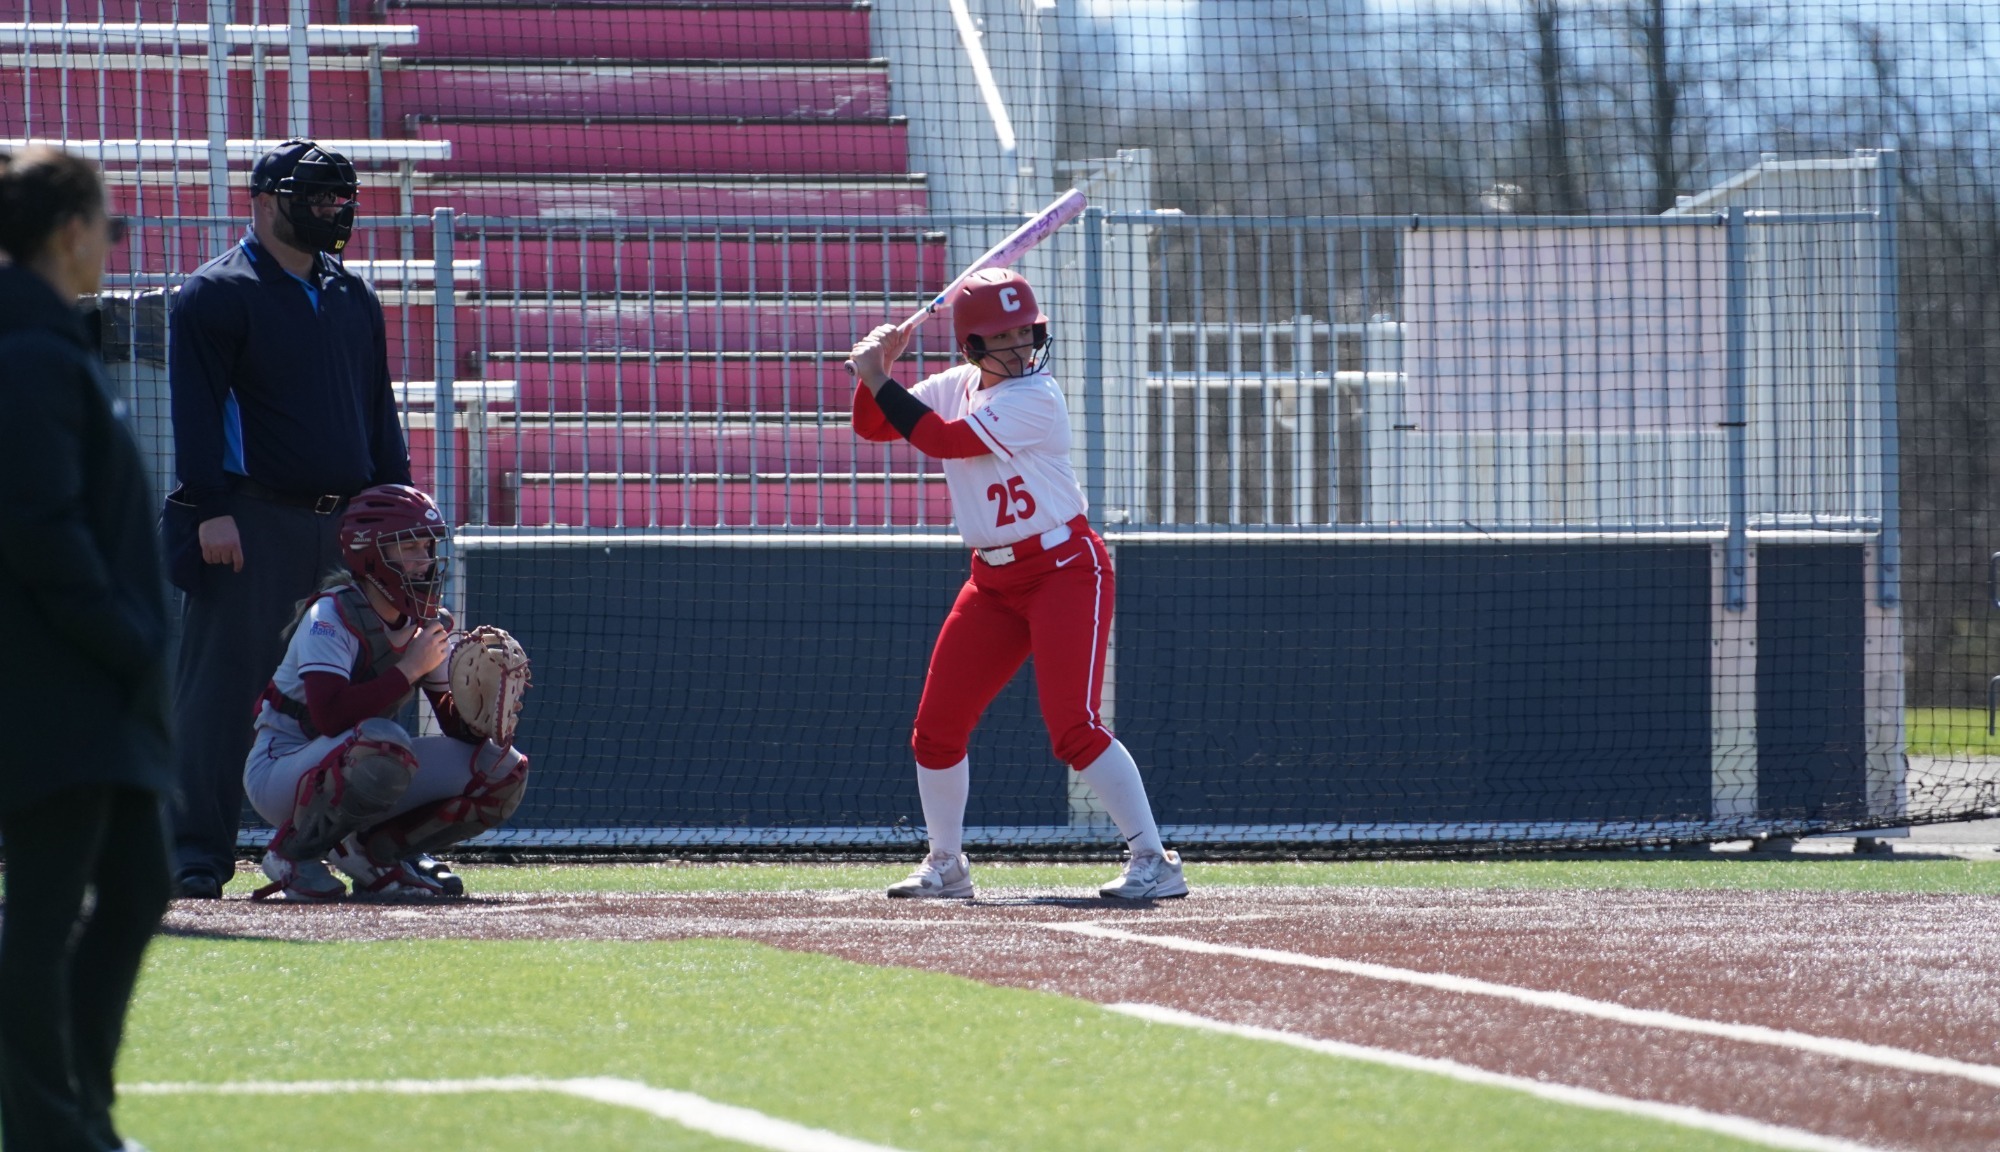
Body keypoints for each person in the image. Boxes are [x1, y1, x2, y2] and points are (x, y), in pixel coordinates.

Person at [845, 268, 1186, 900]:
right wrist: (880, 376)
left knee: (1073, 727)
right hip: (993, 580)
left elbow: (940, 440)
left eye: (1026, 334)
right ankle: (946, 864)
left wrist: (879, 378)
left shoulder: (1037, 396)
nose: (1021, 349)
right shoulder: (955, 384)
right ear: (972, 347)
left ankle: (1154, 860)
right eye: (1003, 339)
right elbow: (875, 426)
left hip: (1063, 569)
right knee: (936, 727)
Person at [166, 139, 411, 899]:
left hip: (351, 530)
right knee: (221, 692)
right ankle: (196, 855)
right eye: (317, 198)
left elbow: (379, 411)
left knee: (368, 682)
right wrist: (209, 509)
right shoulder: (215, 294)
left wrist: (400, 508)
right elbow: (197, 415)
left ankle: (362, 851)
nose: (333, 213)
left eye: (342, 199)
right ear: (264, 201)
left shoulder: (353, 297)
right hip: (251, 520)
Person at [0, 145, 173, 1152]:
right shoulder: (26, 353)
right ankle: (51, 1128)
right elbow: (38, 523)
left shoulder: (52, 344)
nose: (113, 242)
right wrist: (122, 633)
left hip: (100, 685)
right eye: (106, 223)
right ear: (69, 232)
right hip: (60, 682)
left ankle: (80, 1111)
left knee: (141, 882)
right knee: (48, 908)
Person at [244, 484, 530, 901]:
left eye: (428, 548)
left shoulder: (427, 621)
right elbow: (329, 717)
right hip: (281, 767)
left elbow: (454, 727)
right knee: (385, 743)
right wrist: (410, 666)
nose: (424, 561)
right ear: (371, 555)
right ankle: (291, 854)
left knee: (502, 769)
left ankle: (375, 855)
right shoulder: (332, 614)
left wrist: (487, 713)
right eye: (409, 547)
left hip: (364, 760)